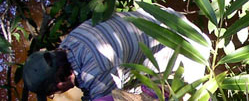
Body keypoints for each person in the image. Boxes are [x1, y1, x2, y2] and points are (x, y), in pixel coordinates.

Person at [22, 9, 209, 101]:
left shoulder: (96, 71)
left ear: (61, 83)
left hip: (188, 54)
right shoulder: (70, 42)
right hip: (171, 20)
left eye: (54, 93)